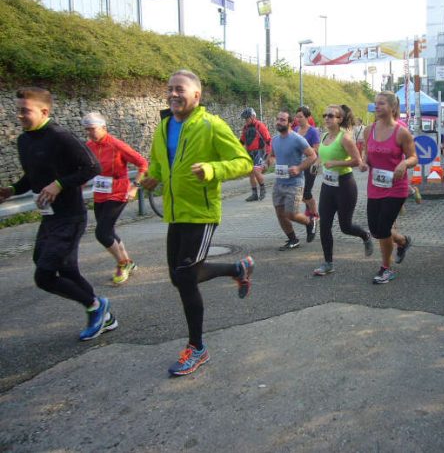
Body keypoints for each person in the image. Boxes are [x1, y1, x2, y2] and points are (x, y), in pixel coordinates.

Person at [141, 70, 254, 376]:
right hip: (175, 213)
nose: (173, 94)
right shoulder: (164, 127)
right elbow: (157, 164)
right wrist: (151, 177)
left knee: (185, 276)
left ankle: (197, 347)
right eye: (169, 89)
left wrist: (212, 169)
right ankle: (237, 268)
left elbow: (243, 162)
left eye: (180, 89)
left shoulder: (210, 125)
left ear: (196, 95)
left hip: (201, 213)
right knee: (179, 277)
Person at [0, 88, 113, 341]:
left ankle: (96, 306)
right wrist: (12, 190)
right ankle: (105, 316)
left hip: (70, 216)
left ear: (44, 111)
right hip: (50, 216)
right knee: (65, 270)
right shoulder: (24, 140)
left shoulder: (60, 136)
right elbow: (33, 176)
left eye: (24, 110)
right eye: (17, 110)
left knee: (45, 275)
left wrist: (59, 184)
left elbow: (92, 166)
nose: (19, 116)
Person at [82, 112, 148, 284]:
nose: (90, 133)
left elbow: (143, 164)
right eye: (87, 130)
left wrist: (135, 187)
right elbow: (86, 168)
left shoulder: (117, 145)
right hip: (100, 192)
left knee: (102, 233)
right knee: (108, 230)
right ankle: (129, 262)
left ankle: (123, 263)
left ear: (104, 128)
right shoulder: (88, 146)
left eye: (93, 129)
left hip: (119, 192)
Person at [359, 91, 417, 284]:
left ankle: (386, 268)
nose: (377, 106)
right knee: (375, 230)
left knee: (383, 228)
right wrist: (364, 162)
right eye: (376, 103)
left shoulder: (401, 132)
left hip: (396, 187)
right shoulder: (369, 130)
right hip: (375, 185)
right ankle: (403, 242)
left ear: (392, 108)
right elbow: (367, 152)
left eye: (382, 103)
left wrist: (404, 164)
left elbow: (414, 157)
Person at [313, 104, 373, 275]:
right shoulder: (324, 136)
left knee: (345, 226)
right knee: (324, 225)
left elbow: (357, 161)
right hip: (327, 186)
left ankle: (365, 236)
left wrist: (336, 163)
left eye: (331, 115)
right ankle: (328, 263)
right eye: (325, 115)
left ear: (339, 119)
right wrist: (316, 164)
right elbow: (321, 156)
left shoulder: (345, 138)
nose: (326, 118)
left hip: (345, 185)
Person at [269, 110, 318, 250]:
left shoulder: (297, 139)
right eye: (278, 119)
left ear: (290, 123)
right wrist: (268, 163)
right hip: (279, 183)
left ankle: (310, 222)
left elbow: (312, 156)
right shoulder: (275, 140)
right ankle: (293, 239)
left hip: (294, 183)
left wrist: (299, 168)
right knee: (280, 213)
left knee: (291, 214)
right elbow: (272, 155)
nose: (279, 122)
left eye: (283, 120)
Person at [293, 106, 321, 219]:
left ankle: (314, 214)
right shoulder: (295, 130)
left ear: (307, 117)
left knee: (306, 191)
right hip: (299, 164)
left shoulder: (313, 131)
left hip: (312, 165)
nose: (298, 119)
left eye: (301, 117)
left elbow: (317, 149)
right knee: (299, 190)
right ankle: (309, 209)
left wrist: (305, 150)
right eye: (297, 116)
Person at [240, 107, 271, 202]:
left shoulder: (260, 126)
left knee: (256, 171)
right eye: (245, 119)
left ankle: (263, 189)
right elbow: (241, 141)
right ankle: (254, 194)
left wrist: (268, 154)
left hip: (259, 152)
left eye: (247, 118)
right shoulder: (245, 128)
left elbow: (268, 140)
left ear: (253, 117)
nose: (246, 121)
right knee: (250, 173)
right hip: (250, 153)